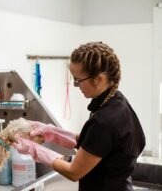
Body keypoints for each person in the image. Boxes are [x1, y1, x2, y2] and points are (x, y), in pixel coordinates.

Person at [13, 41, 146, 191]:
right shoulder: (116, 101)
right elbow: (94, 142)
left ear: (99, 79)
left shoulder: (106, 121)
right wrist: (51, 132)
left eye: (78, 80)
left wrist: (34, 149)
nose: (76, 86)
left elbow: (73, 172)